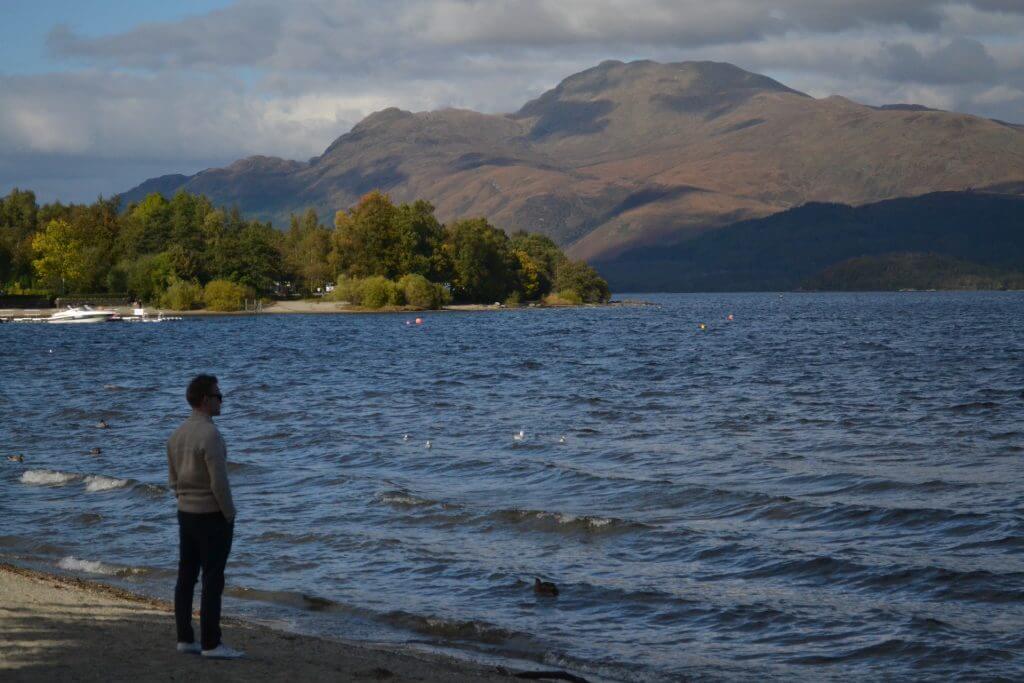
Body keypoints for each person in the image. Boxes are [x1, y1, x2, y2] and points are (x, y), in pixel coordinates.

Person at [167, 374, 243, 659]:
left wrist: (185, 499)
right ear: (204, 400)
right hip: (211, 514)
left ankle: (185, 637)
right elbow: (219, 483)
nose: (221, 400)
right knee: (213, 578)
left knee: (186, 576)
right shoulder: (210, 435)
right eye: (217, 395)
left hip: (185, 512)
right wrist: (229, 513)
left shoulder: (177, 434)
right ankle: (212, 642)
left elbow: (173, 481)